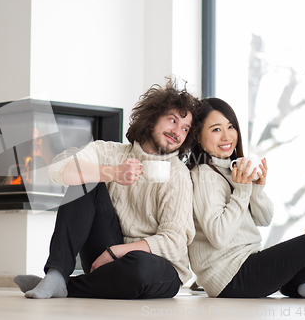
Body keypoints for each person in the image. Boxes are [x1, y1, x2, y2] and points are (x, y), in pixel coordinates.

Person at [14, 78, 200, 299]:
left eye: (185, 128)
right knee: (83, 177)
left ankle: (65, 285)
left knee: (140, 268)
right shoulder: (109, 151)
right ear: (151, 120)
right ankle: (56, 274)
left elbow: (173, 241)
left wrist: (116, 252)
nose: (178, 132)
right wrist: (112, 172)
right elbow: (58, 170)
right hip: (106, 251)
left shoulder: (178, 174)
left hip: (156, 265)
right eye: (172, 120)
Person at [186, 97, 305, 299]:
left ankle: (302, 287)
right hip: (228, 277)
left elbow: (264, 220)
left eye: (231, 127)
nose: (227, 136)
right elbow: (219, 236)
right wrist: (243, 190)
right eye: (216, 129)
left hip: (246, 264)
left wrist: (256, 189)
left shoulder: (231, 169)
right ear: (198, 137)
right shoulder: (203, 174)